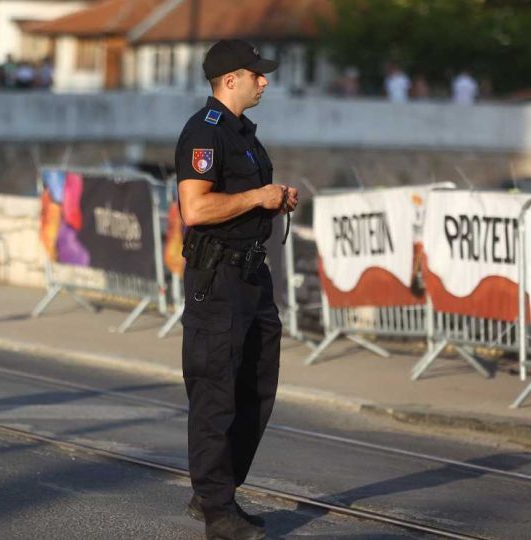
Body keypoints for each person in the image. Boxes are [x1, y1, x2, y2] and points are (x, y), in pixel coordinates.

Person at [175, 39, 298, 540]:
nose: (263, 81)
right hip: (218, 278)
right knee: (215, 393)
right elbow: (195, 209)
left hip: (252, 276)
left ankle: (217, 490)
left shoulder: (242, 133)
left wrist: (274, 200)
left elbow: (244, 200)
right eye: (255, 74)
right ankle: (216, 509)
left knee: (257, 388)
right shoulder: (205, 132)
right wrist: (257, 196)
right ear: (231, 80)